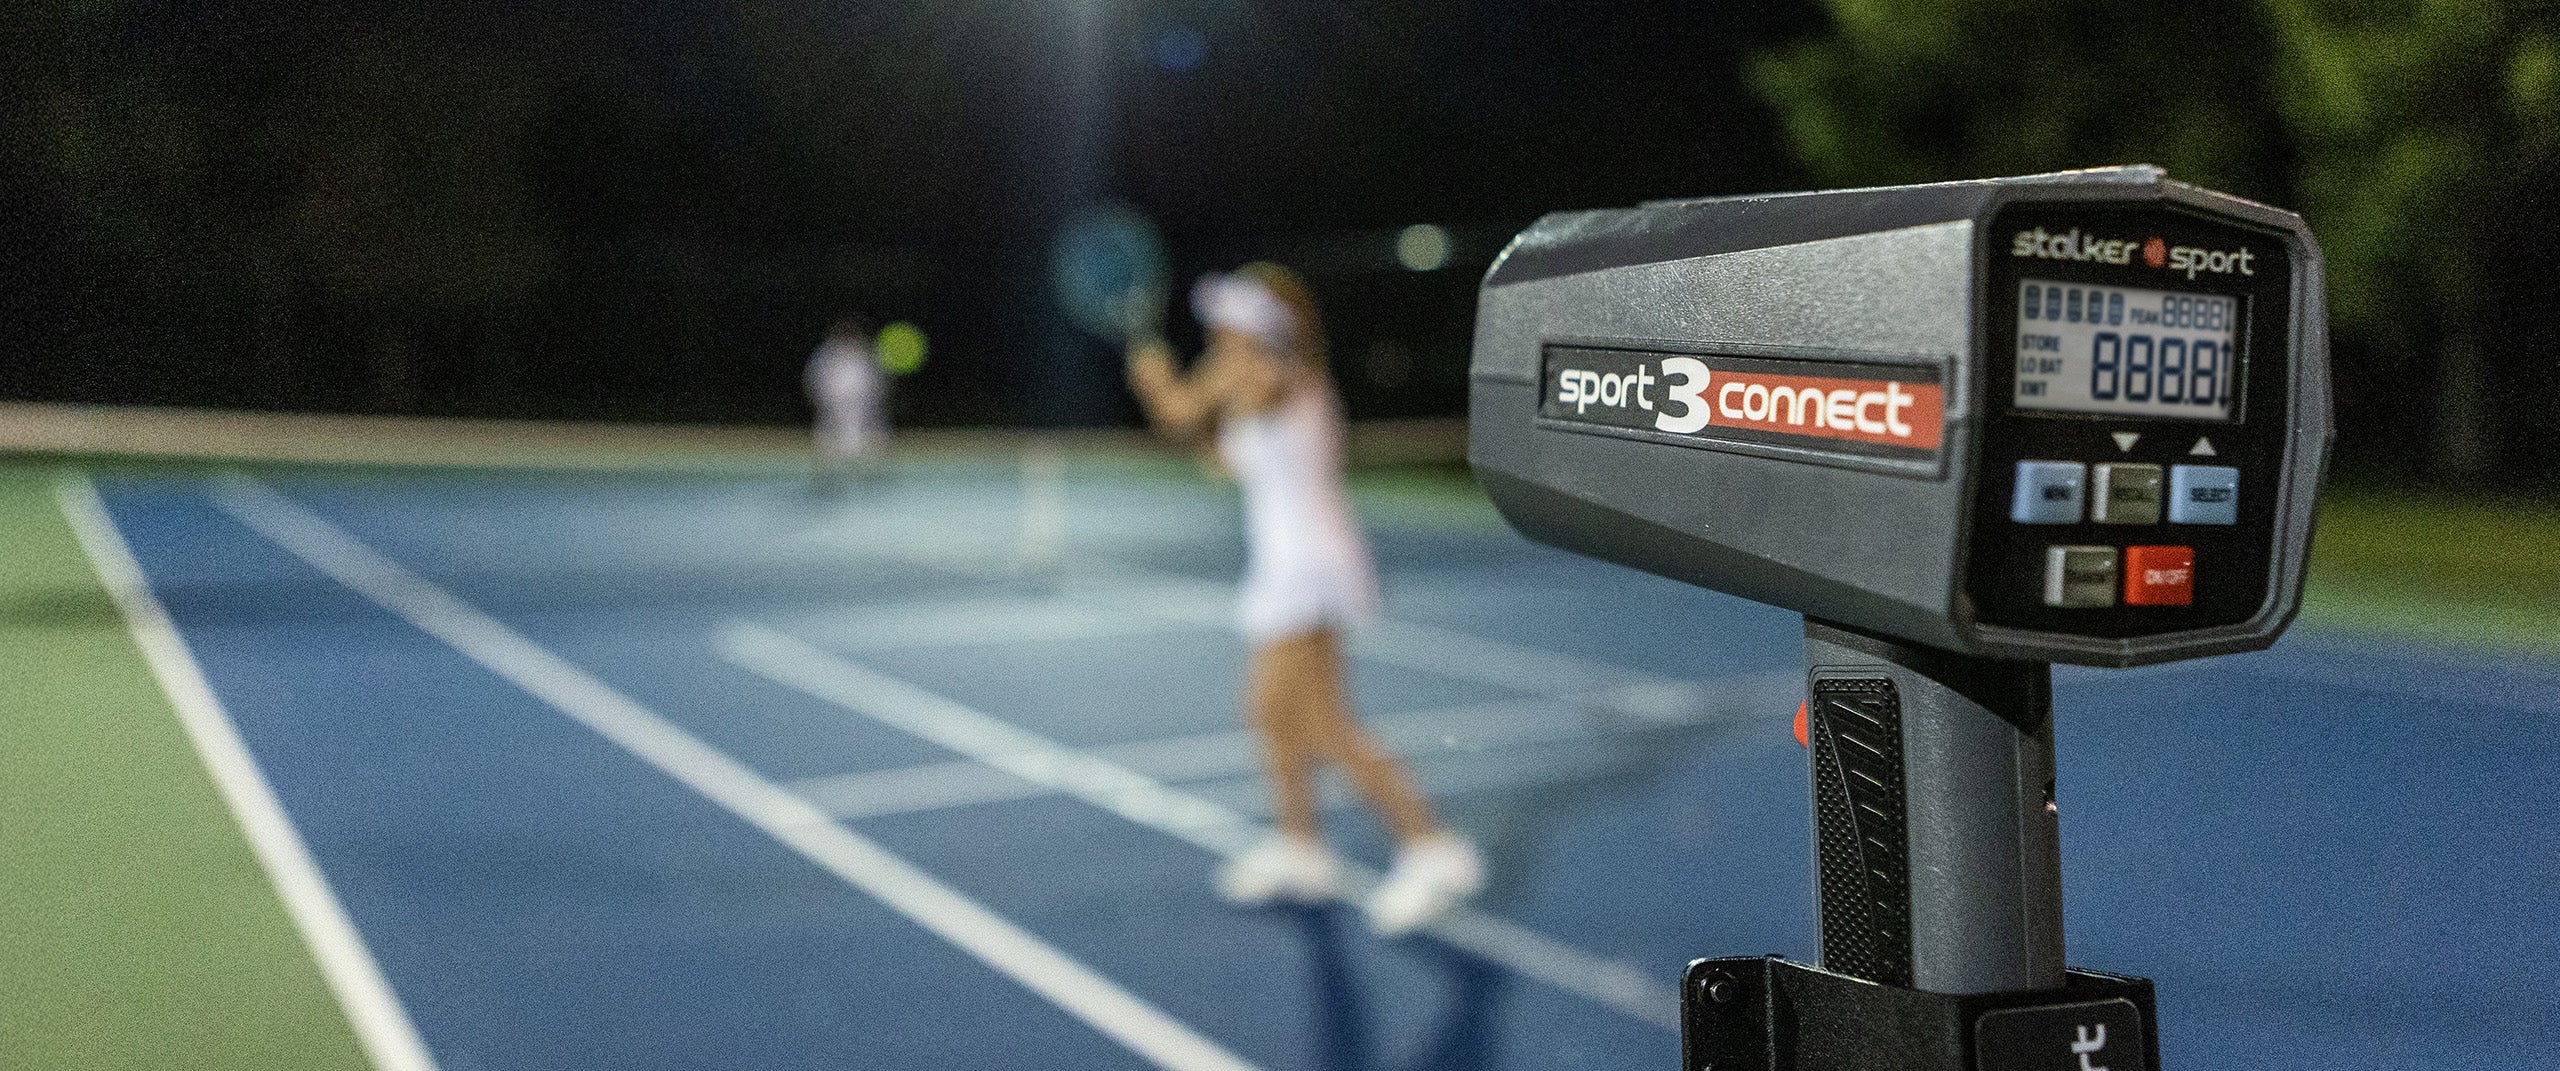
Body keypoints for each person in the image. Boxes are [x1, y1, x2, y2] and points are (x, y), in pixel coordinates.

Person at [1126, 262, 1483, 936]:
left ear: (1261, 326)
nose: (1218, 335)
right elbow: (1223, 459)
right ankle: (1303, 847)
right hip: (1285, 563)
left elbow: (1182, 408)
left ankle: (1434, 849)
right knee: (1282, 715)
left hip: (1309, 566)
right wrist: (1178, 404)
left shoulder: (1274, 374)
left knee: (1313, 720)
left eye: (1228, 323)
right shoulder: (1266, 383)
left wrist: (1158, 382)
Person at [805, 316, 888, 484]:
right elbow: (814, 380)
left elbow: (876, 383)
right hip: (833, 403)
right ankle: (829, 476)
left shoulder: (866, 355)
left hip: (860, 405)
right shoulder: (825, 355)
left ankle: (867, 476)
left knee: (865, 441)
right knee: (830, 442)